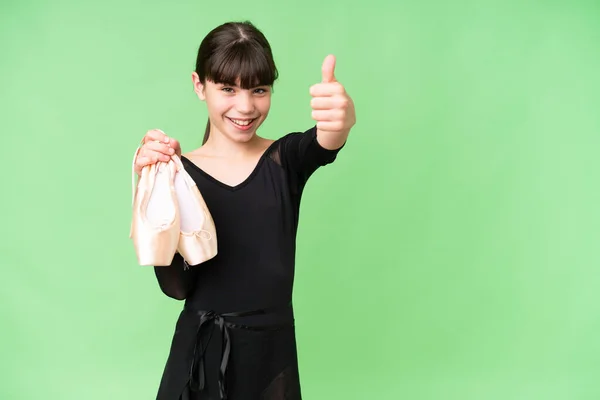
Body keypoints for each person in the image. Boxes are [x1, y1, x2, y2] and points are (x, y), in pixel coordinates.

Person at [133, 20, 356, 400]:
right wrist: (153, 191)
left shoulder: (284, 160)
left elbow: (325, 141)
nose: (246, 106)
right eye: (227, 88)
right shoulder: (179, 174)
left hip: (271, 356)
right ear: (199, 85)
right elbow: (176, 287)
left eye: (259, 89)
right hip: (199, 356)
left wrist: (341, 119)